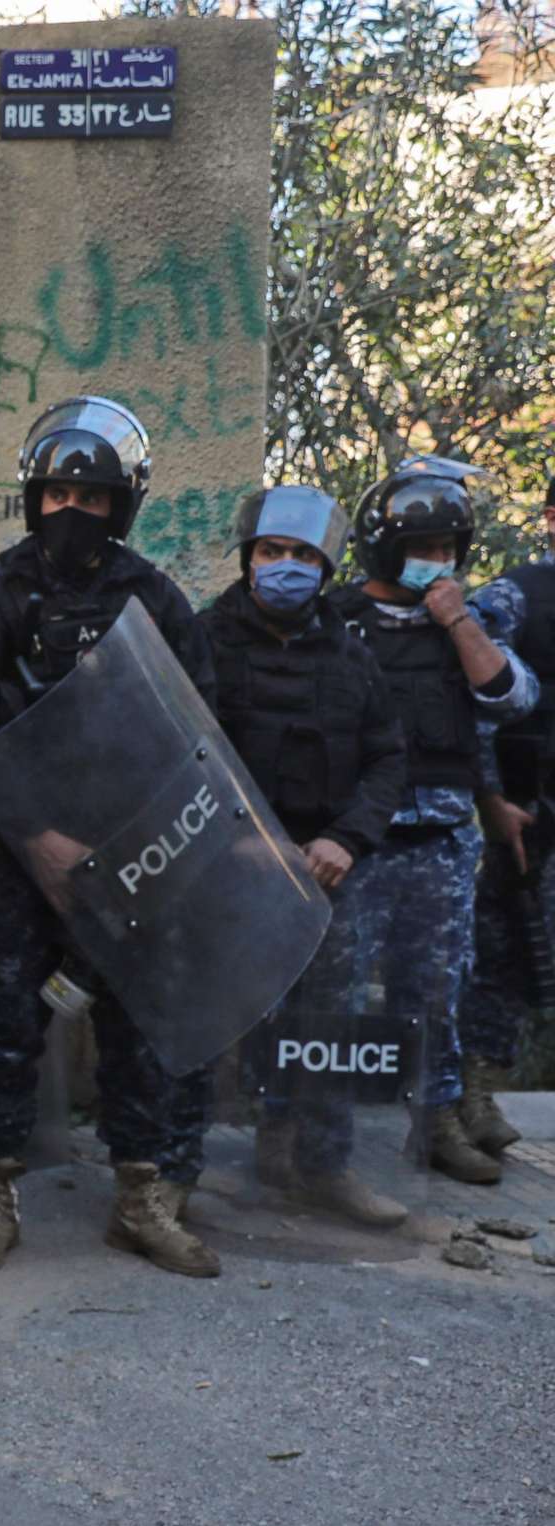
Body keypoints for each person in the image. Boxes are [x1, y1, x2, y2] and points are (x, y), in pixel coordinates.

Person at [0, 397, 226, 1278]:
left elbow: (196, 730)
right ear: (35, 499)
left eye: (94, 498)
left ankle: (139, 1196)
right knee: (6, 1029)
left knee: (134, 1022)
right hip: (19, 857)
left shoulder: (153, 598)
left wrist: (125, 846)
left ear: (122, 505)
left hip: (132, 857)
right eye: (59, 494)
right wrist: (37, 841)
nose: (74, 512)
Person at [327, 455, 537, 1185]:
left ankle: (438, 1121)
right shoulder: (338, 621)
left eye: (449, 549)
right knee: (338, 996)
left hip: (442, 843)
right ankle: (320, 1135)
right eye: (426, 550)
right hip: (358, 841)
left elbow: (511, 700)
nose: (438, 562)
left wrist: (454, 621)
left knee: (437, 993)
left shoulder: (468, 623)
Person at [204, 486, 409, 1224]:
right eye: (270, 552)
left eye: (300, 555)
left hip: (324, 872)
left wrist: (345, 839)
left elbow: (388, 759)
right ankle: (170, 1173)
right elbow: (180, 750)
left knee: (328, 1023)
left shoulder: (352, 655)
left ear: (325, 568)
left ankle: (320, 1164)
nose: (283, 567)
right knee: (207, 1019)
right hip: (227, 868)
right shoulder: (205, 642)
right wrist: (248, 844)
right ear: (248, 558)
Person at [456, 468, 555, 1157]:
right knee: (503, 965)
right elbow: (468, 698)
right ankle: (470, 1097)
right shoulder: (515, 597)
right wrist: (490, 799)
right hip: (530, 818)